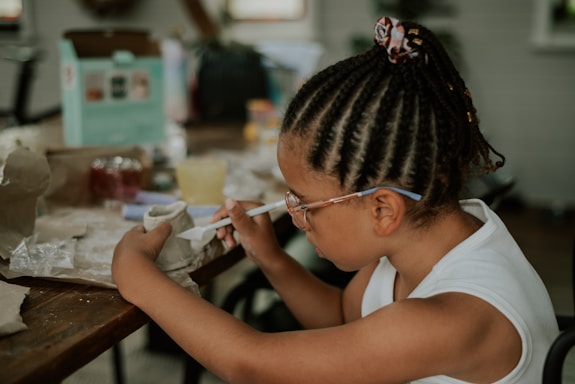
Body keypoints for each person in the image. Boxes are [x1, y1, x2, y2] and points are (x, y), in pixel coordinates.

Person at [112, 16, 559, 383]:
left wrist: (137, 276)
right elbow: (345, 318)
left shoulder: (452, 317)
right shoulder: (423, 238)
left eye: (304, 203)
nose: (294, 213)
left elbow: (248, 362)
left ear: (382, 209)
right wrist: (271, 257)